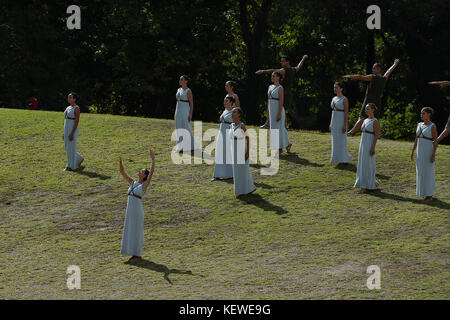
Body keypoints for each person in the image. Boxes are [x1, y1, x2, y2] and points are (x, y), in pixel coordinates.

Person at [344, 59, 399, 136]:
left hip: (368, 101)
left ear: (379, 69)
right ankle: (376, 134)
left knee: (361, 118)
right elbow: (388, 72)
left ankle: (351, 132)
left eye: (374, 68)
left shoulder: (373, 77)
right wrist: (395, 64)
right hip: (377, 102)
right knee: (374, 119)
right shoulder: (384, 79)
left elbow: (361, 77)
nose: (372, 69)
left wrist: (350, 76)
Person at [119, 150, 156, 263]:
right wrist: (120, 162)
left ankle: (137, 255)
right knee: (130, 229)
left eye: (142, 171)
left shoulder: (144, 186)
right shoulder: (132, 183)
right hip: (130, 210)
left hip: (137, 211)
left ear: (144, 175)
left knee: (137, 231)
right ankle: (131, 253)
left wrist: (153, 160)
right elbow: (122, 172)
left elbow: (152, 173)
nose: (140, 171)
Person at [256, 55, 308, 128]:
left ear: (288, 62)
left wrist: (263, 71)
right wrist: (303, 58)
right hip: (288, 93)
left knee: (275, 107)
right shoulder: (293, 69)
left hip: (282, 92)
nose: (281, 62)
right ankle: (283, 125)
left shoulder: (284, 70)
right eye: (281, 61)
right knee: (282, 110)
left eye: (283, 61)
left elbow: (274, 71)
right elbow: (299, 67)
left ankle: (268, 123)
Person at [410, 108, 437, 202]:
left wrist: (433, 154)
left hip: (428, 151)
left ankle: (429, 195)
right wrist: (413, 151)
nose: (421, 115)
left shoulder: (432, 126)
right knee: (421, 171)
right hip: (420, 152)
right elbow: (416, 139)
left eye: (423, 113)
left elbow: (435, 141)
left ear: (429, 114)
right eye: (421, 113)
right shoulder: (419, 125)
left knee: (428, 172)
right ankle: (423, 193)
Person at [229, 107, 256, 197]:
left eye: (234, 112)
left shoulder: (242, 126)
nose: (232, 113)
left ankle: (245, 190)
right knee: (236, 171)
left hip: (241, 149)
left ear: (239, 114)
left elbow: (248, 138)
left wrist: (247, 152)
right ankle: (243, 189)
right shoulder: (231, 125)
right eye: (232, 112)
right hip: (234, 150)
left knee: (243, 170)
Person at [354, 103, 380, 193]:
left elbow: (377, 135)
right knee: (362, 163)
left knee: (368, 164)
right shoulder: (365, 120)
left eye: (368, 109)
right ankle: (365, 184)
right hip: (363, 144)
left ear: (373, 110)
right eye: (365, 109)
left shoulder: (375, 121)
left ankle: (365, 186)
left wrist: (373, 147)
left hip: (369, 144)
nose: (366, 110)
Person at [174, 75, 201, 152]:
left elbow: (191, 103)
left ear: (186, 81)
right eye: (180, 79)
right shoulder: (178, 90)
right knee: (178, 127)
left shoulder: (188, 91)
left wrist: (190, 114)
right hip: (178, 110)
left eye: (182, 79)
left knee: (186, 127)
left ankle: (192, 146)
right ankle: (180, 147)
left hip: (185, 110)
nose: (180, 81)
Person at [268, 71, 292, 154]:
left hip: (278, 109)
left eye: (274, 76)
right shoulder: (270, 87)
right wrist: (268, 113)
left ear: (278, 77)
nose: (272, 77)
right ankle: (286, 144)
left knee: (279, 129)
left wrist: (279, 113)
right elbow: (268, 100)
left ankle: (280, 148)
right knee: (274, 129)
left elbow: (281, 101)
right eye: (272, 76)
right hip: (272, 109)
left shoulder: (280, 88)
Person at [211, 96, 234, 181]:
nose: (225, 102)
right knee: (219, 152)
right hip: (221, 133)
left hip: (228, 133)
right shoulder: (225, 111)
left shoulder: (233, 112)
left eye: (227, 101)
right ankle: (217, 174)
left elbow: (235, 123)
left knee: (227, 153)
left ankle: (229, 174)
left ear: (231, 102)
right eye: (224, 100)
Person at [329, 82, 351, 166]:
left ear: (341, 89)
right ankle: (337, 158)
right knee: (335, 141)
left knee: (342, 141)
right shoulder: (333, 98)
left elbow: (346, 113)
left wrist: (345, 125)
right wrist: (331, 123)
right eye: (334, 87)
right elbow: (333, 112)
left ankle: (344, 159)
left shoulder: (344, 99)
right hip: (334, 121)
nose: (335, 89)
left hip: (341, 121)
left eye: (336, 87)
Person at [63, 92, 84, 171]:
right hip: (67, 128)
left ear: (74, 99)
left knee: (71, 147)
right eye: (68, 97)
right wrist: (64, 132)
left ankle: (70, 166)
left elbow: (77, 121)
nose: (69, 99)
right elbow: (66, 119)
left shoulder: (76, 108)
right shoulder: (68, 107)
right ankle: (79, 158)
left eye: (70, 97)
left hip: (72, 128)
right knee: (67, 147)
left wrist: (72, 133)